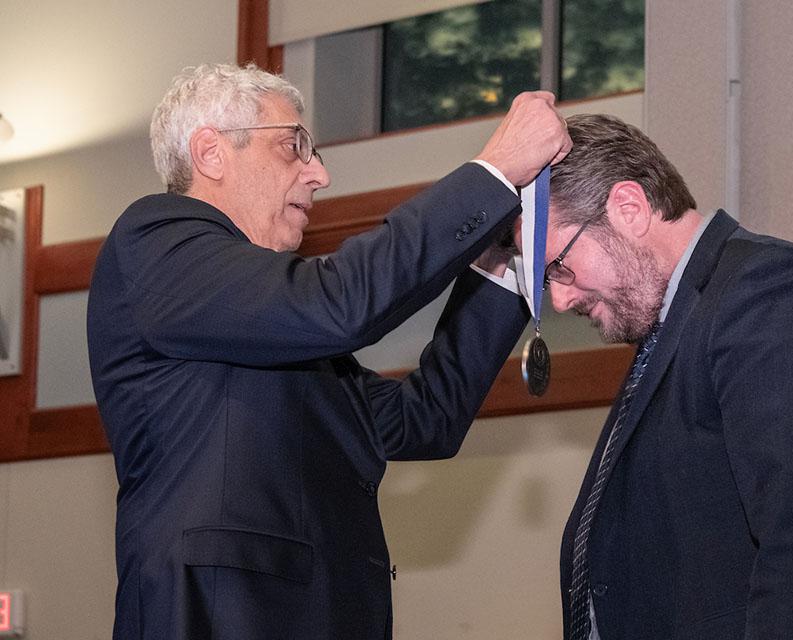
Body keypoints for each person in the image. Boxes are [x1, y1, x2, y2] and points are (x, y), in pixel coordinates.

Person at [86, 63, 570, 640]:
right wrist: (493, 172)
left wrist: (502, 265)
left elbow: (425, 420)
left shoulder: (274, 326)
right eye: (296, 146)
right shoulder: (157, 240)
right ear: (211, 153)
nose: (320, 173)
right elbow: (340, 304)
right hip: (220, 616)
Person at [534, 114, 793, 639]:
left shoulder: (767, 293)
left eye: (559, 265)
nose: (560, 298)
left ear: (629, 208)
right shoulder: (681, 321)